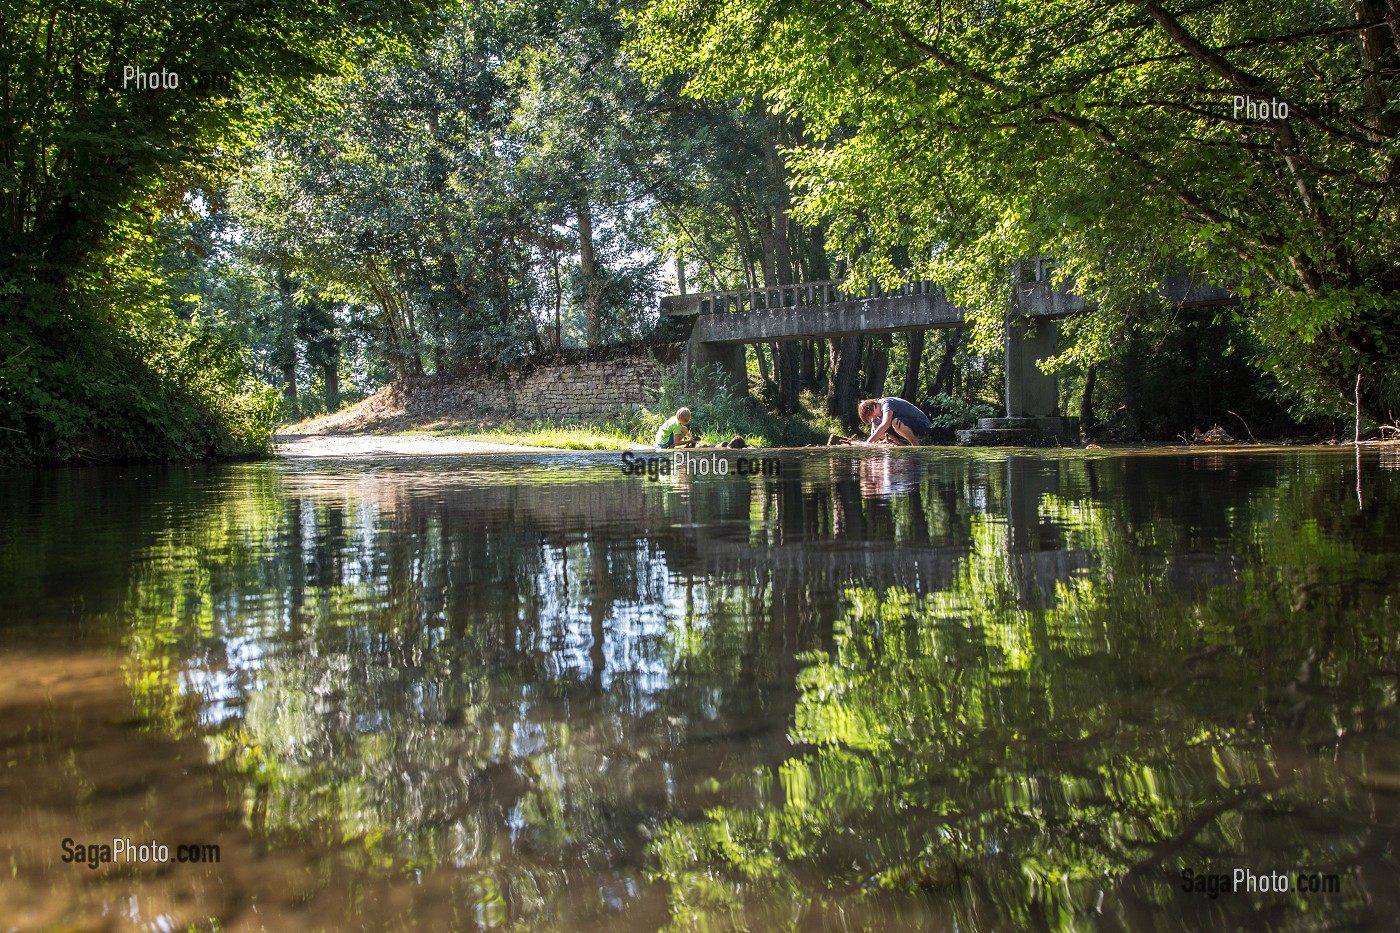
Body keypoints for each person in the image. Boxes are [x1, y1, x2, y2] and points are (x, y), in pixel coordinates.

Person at [858, 397, 933, 446]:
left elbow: (886, 424)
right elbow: (875, 432)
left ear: (873, 407)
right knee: (880, 426)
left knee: (895, 422)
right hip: (909, 429)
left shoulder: (887, 403)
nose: (873, 418)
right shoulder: (877, 417)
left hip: (923, 426)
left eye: (872, 416)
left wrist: (868, 442)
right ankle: (903, 446)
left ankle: (915, 445)